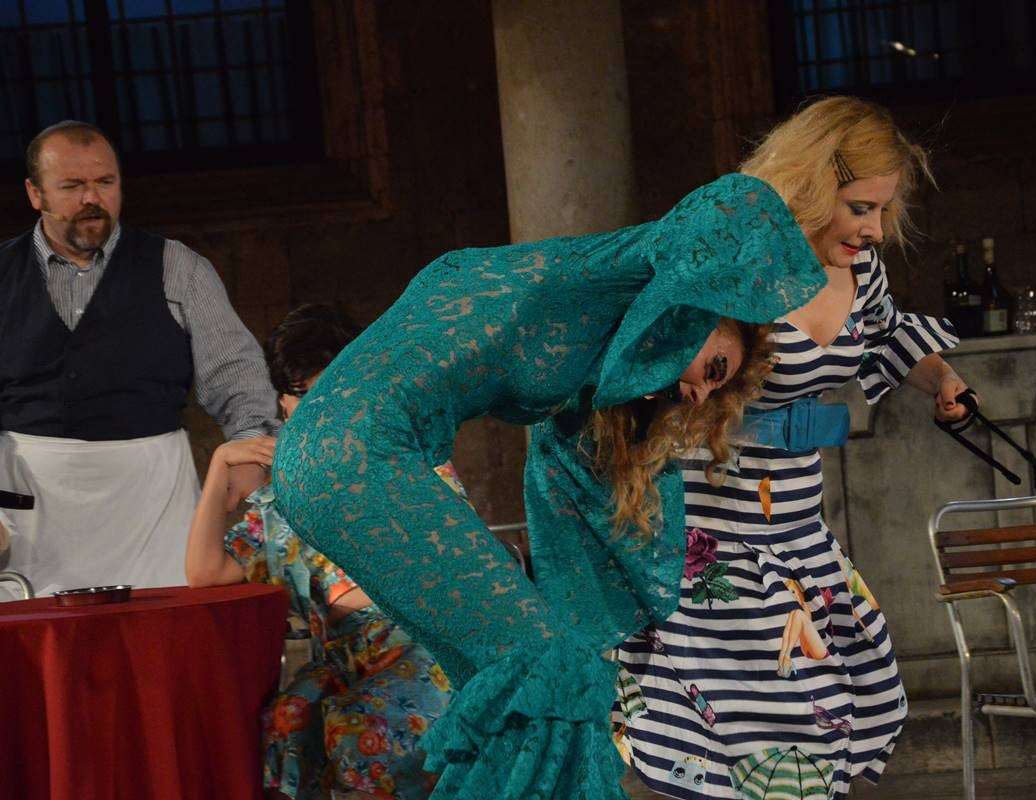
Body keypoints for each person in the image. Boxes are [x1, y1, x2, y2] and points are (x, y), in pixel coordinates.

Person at [271, 173, 828, 799]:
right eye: (714, 368)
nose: (698, 393)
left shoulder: (575, 324)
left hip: (320, 464)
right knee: (547, 670)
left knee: (508, 690)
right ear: (691, 302)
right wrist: (824, 206)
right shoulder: (602, 276)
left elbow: (571, 467)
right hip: (357, 455)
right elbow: (725, 215)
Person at [614, 96, 971, 800]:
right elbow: (658, 360)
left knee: (828, 704)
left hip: (797, 524)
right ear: (810, 185)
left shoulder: (860, 273)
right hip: (714, 527)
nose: (873, 229)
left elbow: (886, 334)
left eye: (881, 211)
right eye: (859, 208)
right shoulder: (735, 267)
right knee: (755, 718)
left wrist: (943, 380)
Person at [185, 304, 457, 800]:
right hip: (345, 660)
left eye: (328, 393)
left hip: (426, 649)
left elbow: (447, 564)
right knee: (284, 721)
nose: (316, 411)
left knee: (356, 730)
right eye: (301, 396)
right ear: (283, 403)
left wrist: (349, 598)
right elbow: (205, 573)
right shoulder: (283, 491)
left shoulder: (412, 458)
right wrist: (220, 463)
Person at [0, 120, 277, 598]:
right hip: (30, 506)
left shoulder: (178, 267)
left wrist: (251, 450)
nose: (92, 198)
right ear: (35, 193)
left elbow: (237, 373)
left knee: (161, 633)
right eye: (72, 186)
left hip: (154, 500)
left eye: (105, 182)